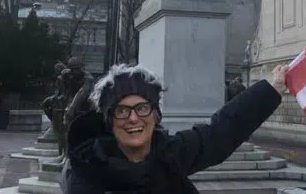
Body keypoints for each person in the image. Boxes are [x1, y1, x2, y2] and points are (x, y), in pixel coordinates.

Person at [62, 63, 289, 193]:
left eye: (142, 108)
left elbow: (221, 132)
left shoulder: (169, 154)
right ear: (109, 121)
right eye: (121, 110)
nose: (133, 118)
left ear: (155, 115)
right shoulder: (88, 170)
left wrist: (270, 90)